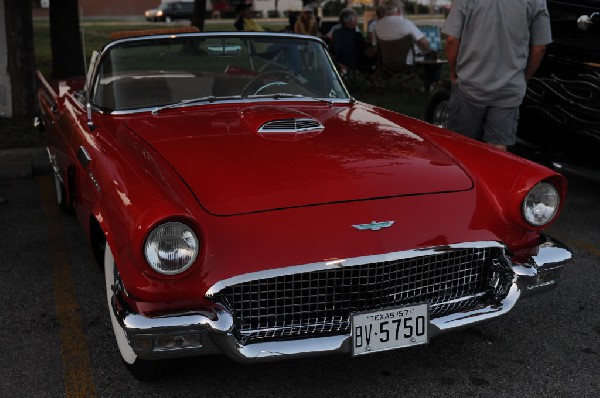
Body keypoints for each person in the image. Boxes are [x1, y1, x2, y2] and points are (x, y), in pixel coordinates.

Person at [442, 0, 551, 151]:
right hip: (509, 89)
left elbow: (451, 40)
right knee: (497, 151)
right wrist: (523, 78)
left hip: (469, 85)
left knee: (461, 148)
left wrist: (453, 72)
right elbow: (540, 48)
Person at [373, 0, 440, 91]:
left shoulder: (377, 26)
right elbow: (424, 43)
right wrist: (427, 49)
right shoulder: (406, 23)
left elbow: (375, 47)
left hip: (387, 63)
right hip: (408, 63)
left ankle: (384, 81)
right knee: (433, 56)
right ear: (399, 10)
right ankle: (429, 86)